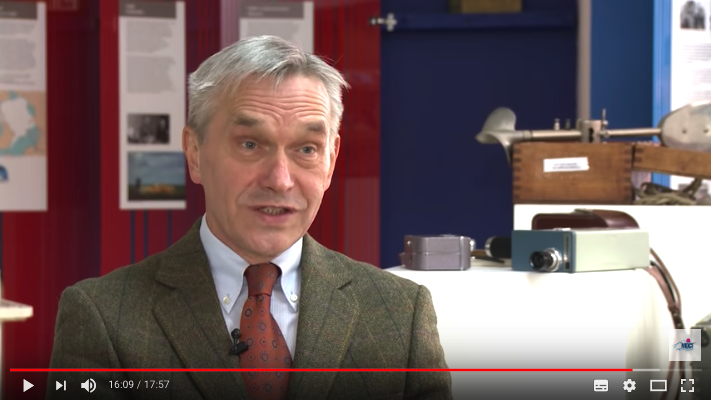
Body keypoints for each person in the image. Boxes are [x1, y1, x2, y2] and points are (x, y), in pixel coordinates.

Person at [48, 35, 451, 400]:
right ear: (194, 153)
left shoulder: (401, 313)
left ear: (331, 161)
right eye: (250, 144)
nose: (280, 179)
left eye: (307, 149)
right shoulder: (103, 317)